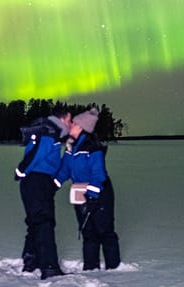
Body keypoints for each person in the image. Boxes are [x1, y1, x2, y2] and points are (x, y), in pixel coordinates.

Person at [57, 106, 121, 271]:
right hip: (80, 193)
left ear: (82, 128)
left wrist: (92, 195)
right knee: (88, 231)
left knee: (105, 230)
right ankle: (91, 268)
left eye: (75, 124)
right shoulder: (71, 146)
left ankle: (114, 269)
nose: (71, 126)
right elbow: (64, 169)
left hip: (100, 193)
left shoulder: (92, 147)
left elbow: (98, 174)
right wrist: (53, 183)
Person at [15, 111, 72, 280]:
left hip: (40, 182)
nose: (70, 124)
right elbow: (37, 154)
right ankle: (49, 266)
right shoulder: (49, 132)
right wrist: (22, 170)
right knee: (44, 222)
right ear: (61, 119)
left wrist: (53, 183)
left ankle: (31, 261)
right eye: (69, 120)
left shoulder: (51, 133)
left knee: (36, 222)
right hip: (37, 181)